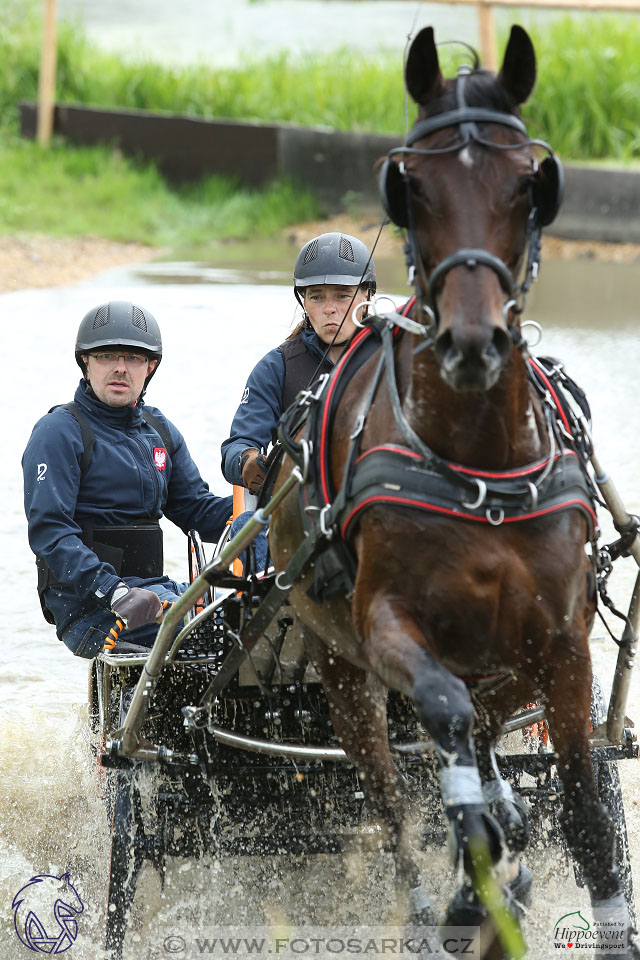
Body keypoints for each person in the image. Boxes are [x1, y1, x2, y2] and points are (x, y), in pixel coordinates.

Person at [23, 300, 233, 658]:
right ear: (85, 362)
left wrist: (269, 506)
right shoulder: (58, 431)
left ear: (150, 367)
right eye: (107, 356)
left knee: (247, 620)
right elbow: (50, 533)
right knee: (200, 634)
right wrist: (115, 592)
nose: (120, 369)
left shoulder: (160, 430)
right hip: (90, 604)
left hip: (153, 591)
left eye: (133, 358)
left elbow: (197, 510)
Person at [221, 232, 376, 572]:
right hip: (299, 510)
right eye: (317, 297)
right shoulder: (276, 367)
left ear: (367, 295)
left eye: (342, 295)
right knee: (248, 525)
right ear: (303, 301)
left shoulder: (395, 362)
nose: (330, 308)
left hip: (379, 503)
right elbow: (237, 446)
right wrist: (246, 460)